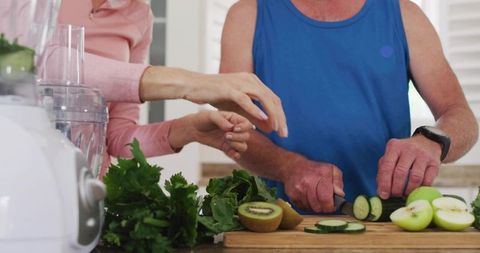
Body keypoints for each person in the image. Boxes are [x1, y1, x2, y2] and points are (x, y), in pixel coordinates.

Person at [218, 0, 478, 213]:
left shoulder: (405, 15)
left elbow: (460, 115)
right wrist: (287, 166)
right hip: (279, 224)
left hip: (384, 225)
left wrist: (432, 140)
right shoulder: (247, 16)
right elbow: (230, 127)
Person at [54, 0, 269, 177]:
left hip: (88, 192)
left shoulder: (139, 15)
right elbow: (39, 62)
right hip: (30, 178)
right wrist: (191, 82)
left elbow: (117, 138)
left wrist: (187, 130)